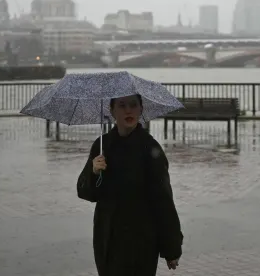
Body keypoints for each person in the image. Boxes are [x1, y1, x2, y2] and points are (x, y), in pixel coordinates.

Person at [77, 94, 183, 276]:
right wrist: (93, 172)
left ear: (141, 109)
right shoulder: (102, 146)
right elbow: (86, 192)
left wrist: (171, 248)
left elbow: (163, 200)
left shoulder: (149, 148)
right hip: (107, 237)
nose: (128, 110)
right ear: (112, 111)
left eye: (134, 105)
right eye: (122, 105)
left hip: (140, 239)